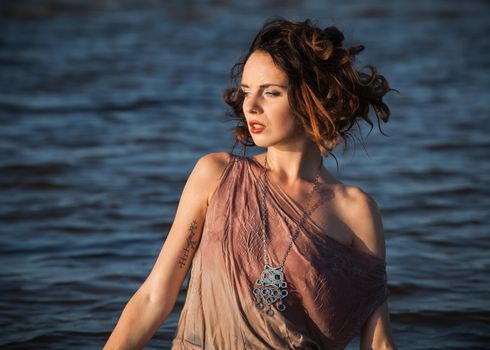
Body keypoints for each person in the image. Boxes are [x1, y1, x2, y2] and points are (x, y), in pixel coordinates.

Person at [105, 18, 396, 350]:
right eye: (246, 92)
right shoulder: (215, 175)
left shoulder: (355, 210)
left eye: (270, 92)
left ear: (310, 97)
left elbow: (379, 342)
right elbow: (154, 297)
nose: (251, 106)